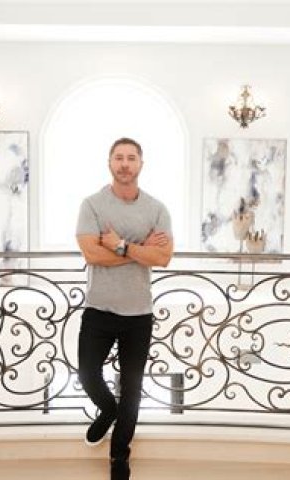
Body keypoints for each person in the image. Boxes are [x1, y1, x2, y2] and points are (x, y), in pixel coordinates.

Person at [75, 137, 173, 480]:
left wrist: (119, 245)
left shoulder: (157, 209)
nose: (125, 164)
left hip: (138, 314)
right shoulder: (92, 205)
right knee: (87, 373)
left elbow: (163, 257)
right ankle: (107, 410)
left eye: (131, 158)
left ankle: (119, 456)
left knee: (132, 389)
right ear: (110, 163)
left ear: (141, 164)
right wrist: (138, 249)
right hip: (99, 308)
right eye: (119, 157)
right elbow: (91, 254)